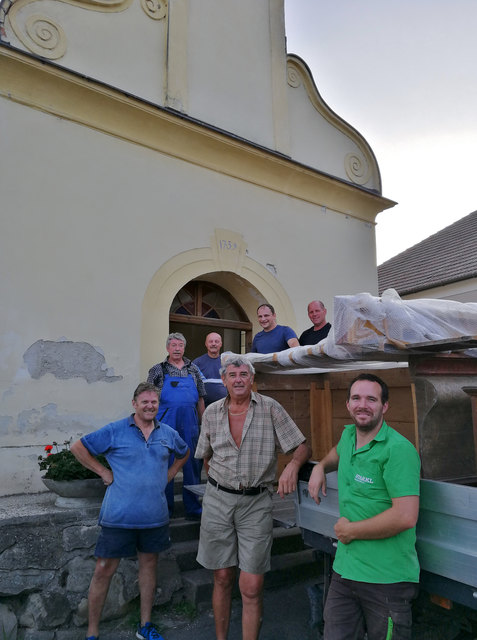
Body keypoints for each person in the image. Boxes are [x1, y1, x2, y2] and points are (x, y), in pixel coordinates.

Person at [195, 355, 311, 640]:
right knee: (222, 577)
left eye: (243, 374)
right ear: (223, 380)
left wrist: (292, 467)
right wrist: (222, 484)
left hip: (256, 503)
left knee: (252, 585)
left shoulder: (270, 408)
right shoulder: (211, 412)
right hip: (218, 501)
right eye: (232, 375)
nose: (238, 379)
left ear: (251, 379)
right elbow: (206, 458)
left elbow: (301, 447)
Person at [70, 382, 189, 640]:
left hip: (154, 517)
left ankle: (144, 626)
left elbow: (184, 452)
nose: (149, 406)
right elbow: (78, 447)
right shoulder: (115, 430)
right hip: (118, 517)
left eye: (154, 402)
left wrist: (169, 475)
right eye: (144, 401)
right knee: (103, 570)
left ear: (159, 405)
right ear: (134, 403)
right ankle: (92, 634)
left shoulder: (167, 433)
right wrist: (103, 472)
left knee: (149, 567)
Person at [308, 373, 421, 640]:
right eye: (356, 398)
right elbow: (336, 453)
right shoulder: (348, 437)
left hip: (387, 580)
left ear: (385, 406)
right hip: (345, 571)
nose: (363, 405)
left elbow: (405, 516)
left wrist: (352, 532)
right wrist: (321, 467)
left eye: (372, 399)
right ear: (347, 404)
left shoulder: (398, 450)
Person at [147, 332, 205, 520]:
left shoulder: (194, 369)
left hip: (190, 424)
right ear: (167, 348)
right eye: (173, 345)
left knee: (192, 465)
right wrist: (149, 424)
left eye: (180, 345)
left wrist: (203, 424)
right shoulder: (157, 370)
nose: (177, 348)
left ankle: (194, 509)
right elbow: (149, 398)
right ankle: (165, 509)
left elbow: (201, 399)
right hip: (165, 424)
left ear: (184, 347)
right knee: (165, 464)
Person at [192, 332, 227, 408]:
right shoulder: (197, 363)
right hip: (203, 408)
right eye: (210, 341)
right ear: (206, 344)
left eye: (216, 341)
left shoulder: (227, 362)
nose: (213, 344)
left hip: (224, 407)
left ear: (221, 344)